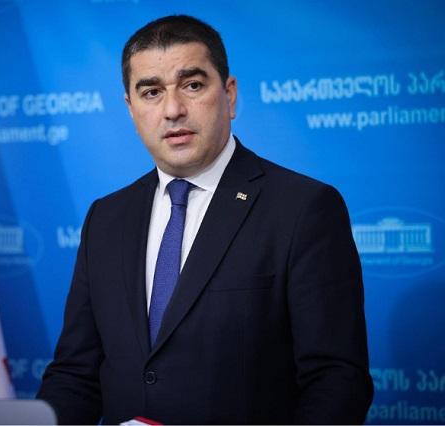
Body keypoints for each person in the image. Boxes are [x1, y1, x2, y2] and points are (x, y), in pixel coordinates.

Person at [37, 15, 373, 424]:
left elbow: (336, 381)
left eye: (192, 85)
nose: (172, 110)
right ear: (130, 108)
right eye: (151, 92)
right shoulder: (106, 218)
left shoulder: (304, 208)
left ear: (229, 95)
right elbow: (76, 375)